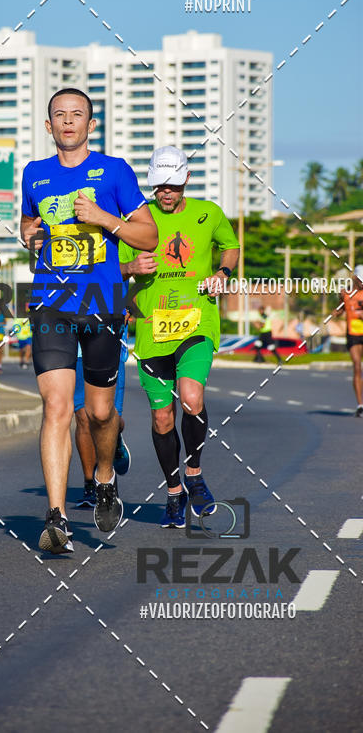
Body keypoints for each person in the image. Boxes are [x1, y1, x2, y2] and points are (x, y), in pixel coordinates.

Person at [21, 88, 158, 553]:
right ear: (48, 125)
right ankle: (56, 518)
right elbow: (28, 224)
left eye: (77, 115)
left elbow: (147, 234)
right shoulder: (34, 175)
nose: (68, 122)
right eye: (59, 115)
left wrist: (103, 217)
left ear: (91, 125)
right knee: (57, 407)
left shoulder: (115, 170)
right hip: (51, 301)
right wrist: (28, 234)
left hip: (103, 300)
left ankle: (104, 477)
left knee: (99, 413)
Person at [119, 145, 240, 529]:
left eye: (172, 185)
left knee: (191, 399)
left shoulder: (209, 214)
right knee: (161, 418)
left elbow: (231, 246)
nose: (166, 193)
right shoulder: (137, 221)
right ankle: (174, 491)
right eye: (159, 186)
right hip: (153, 331)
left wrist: (222, 274)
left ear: (186, 179)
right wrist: (131, 267)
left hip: (197, 320)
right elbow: (114, 271)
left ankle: (194, 473)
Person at [74, 323, 131, 508]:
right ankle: (91, 484)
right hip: (75, 353)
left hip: (109, 347)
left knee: (108, 418)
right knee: (83, 418)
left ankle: (115, 442)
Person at [332, 265, 363, 417]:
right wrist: (336, 313)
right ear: (355, 278)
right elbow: (340, 309)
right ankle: (360, 405)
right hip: (353, 334)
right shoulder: (345, 293)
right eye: (360, 280)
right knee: (357, 366)